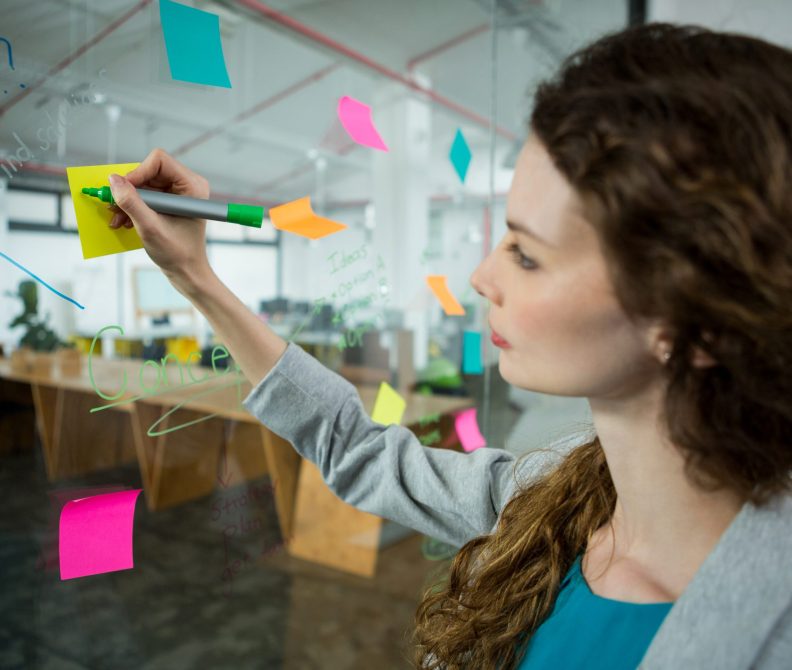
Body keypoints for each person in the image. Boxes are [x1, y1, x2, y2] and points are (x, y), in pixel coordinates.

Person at [105, 22, 792, 670]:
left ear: (685, 315)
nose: (482, 276)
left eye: (526, 254)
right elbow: (357, 447)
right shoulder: (550, 507)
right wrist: (194, 275)